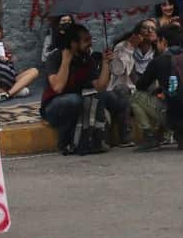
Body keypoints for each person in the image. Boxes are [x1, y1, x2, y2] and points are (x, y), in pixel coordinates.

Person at [39, 23, 122, 153]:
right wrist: (66, 61)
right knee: (73, 100)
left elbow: (100, 87)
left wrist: (105, 63)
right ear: (73, 43)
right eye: (86, 40)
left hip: (78, 104)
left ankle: (101, 138)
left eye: (90, 39)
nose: (90, 43)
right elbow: (58, 87)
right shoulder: (55, 57)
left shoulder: (86, 59)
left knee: (110, 96)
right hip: (54, 108)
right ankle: (64, 141)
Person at [132, 23, 183, 151]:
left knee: (136, 96)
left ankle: (150, 136)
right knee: (169, 96)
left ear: (163, 41)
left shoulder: (159, 61)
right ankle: (181, 132)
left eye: (157, 41)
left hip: (173, 115)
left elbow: (141, 86)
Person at [103, 19, 159, 147]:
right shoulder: (122, 47)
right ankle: (125, 136)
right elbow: (117, 71)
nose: (150, 31)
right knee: (123, 90)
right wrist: (130, 48)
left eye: (153, 28)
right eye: (145, 28)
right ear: (137, 32)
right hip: (124, 96)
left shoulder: (157, 51)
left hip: (145, 95)